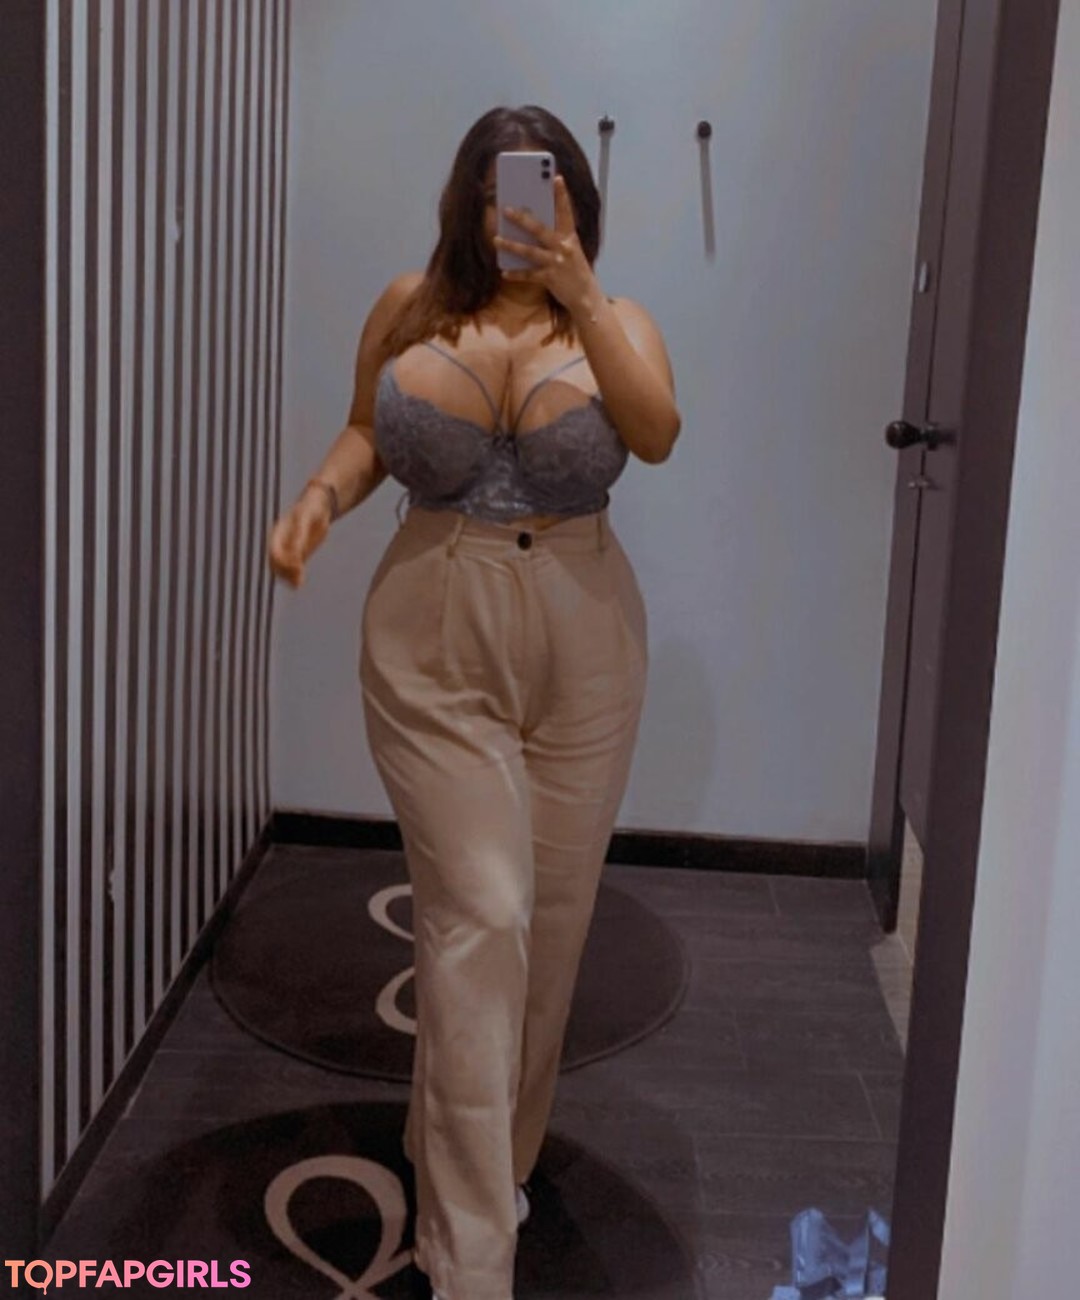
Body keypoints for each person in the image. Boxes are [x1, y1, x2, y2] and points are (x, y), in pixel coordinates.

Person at [268, 104, 680, 1300]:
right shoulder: (411, 308)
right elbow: (365, 429)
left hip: (587, 637)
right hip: (434, 626)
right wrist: (317, 501)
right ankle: (470, 1260)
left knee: (547, 929)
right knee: (480, 914)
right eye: (502, 196)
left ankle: (483, 1155)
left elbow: (656, 434)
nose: (521, 217)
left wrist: (580, 292)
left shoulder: (619, 320)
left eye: (546, 195)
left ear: (576, 203)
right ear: (468, 202)